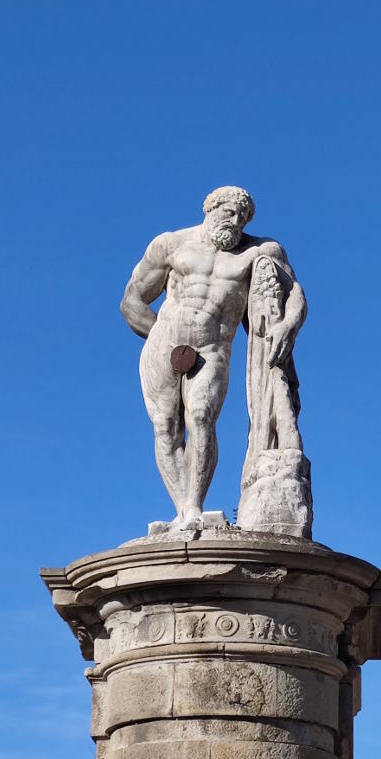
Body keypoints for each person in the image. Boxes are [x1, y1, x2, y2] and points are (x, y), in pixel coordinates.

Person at [120, 186, 305, 531]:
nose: (235, 222)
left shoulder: (260, 251)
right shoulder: (171, 244)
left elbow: (295, 295)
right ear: (210, 209)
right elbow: (132, 301)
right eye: (228, 213)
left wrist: (288, 326)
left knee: (202, 416)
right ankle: (184, 512)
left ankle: (193, 505)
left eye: (242, 217)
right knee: (165, 428)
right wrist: (159, 335)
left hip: (213, 350)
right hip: (164, 345)